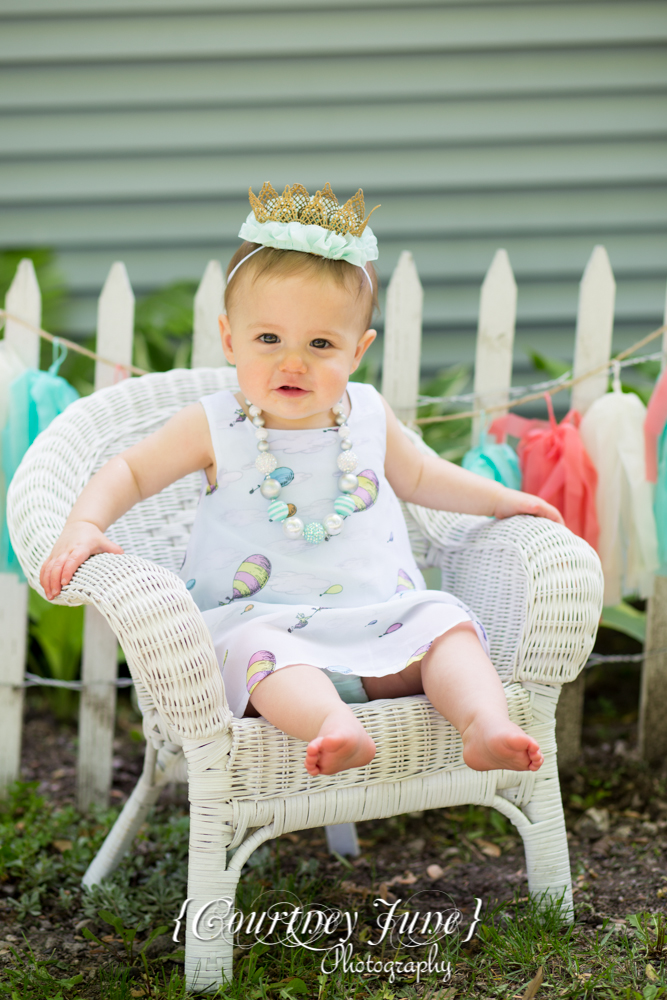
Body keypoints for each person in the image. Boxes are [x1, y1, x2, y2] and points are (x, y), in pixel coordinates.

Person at [40, 182, 563, 779]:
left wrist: (502, 500)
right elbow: (129, 470)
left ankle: (483, 723)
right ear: (231, 339)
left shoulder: (367, 413)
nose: (293, 361)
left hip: (384, 623)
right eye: (269, 339)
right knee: (263, 657)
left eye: (321, 343)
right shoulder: (216, 424)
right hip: (267, 628)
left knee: (446, 625)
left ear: (358, 351)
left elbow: (424, 476)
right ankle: (332, 726)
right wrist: (84, 525)